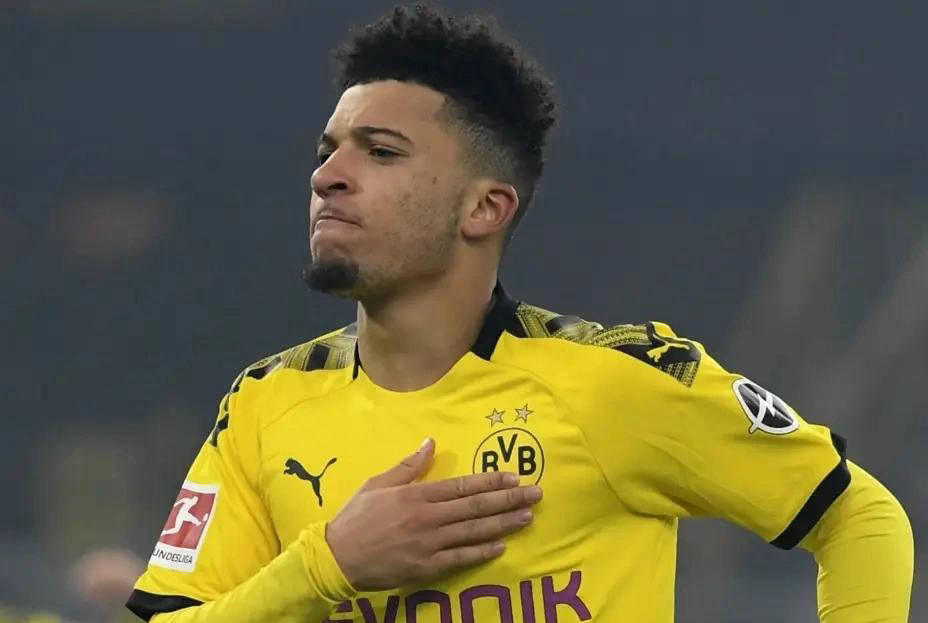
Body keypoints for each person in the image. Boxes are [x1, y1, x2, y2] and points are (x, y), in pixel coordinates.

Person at [126, 4, 914, 622]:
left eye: (381, 151)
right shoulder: (265, 406)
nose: (328, 174)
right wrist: (328, 564)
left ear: (485, 208)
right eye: (326, 150)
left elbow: (857, 515)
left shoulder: (614, 383)